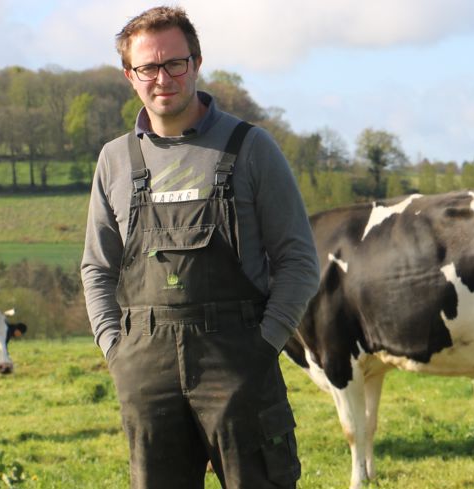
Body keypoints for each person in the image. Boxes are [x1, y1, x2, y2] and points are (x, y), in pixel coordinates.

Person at [81, 6, 320, 488]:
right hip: (145, 366)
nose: (162, 77)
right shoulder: (115, 160)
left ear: (196, 62)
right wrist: (116, 350)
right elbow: (97, 267)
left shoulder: (251, 148)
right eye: (147, 67)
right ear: (130, 75)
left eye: (175, 63)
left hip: (238, 359)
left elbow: (298, 262)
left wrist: (265, 344)